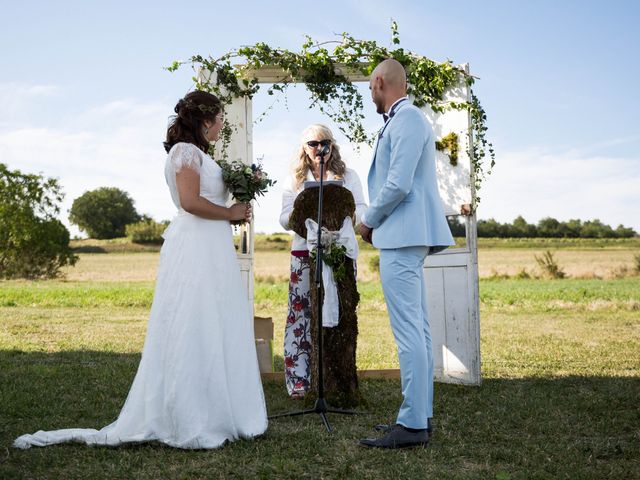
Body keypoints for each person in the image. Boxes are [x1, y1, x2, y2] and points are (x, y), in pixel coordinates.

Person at [14, 90, 268, 450]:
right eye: (221, 117)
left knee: (214, 320)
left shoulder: (200, 154)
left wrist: (239, 202)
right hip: (194, 246)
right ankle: (188, 414)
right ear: (206, 120)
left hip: (212, 247)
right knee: (192, 322)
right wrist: (229, 213)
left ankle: (217, 408)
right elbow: (191, 202)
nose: (223, 123)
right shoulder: (185, 152)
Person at [358, 59, 454, 449]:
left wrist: (368, 220)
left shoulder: (408, 119)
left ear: (379, 82)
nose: (370, 95)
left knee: (409, 331)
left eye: (370, 88)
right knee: (419, 328)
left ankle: (412, 425)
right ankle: (420, 416)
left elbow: (397, 185)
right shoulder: (403, 120)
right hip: (406, 235)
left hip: (400, 236)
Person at [279, 124, 367, 398]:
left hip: (338, 252)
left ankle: (337, 379)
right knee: (301, 315)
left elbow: (361, 210)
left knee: (339, 317)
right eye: (313, 144)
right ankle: (300, 380)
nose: (319, 148)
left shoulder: (348, 175)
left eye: (324, 143)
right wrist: (306, 214)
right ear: (304, 148)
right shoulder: (294, 179)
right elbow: (283, 218)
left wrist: (341, 225)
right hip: (306, 253)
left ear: (332, 145)